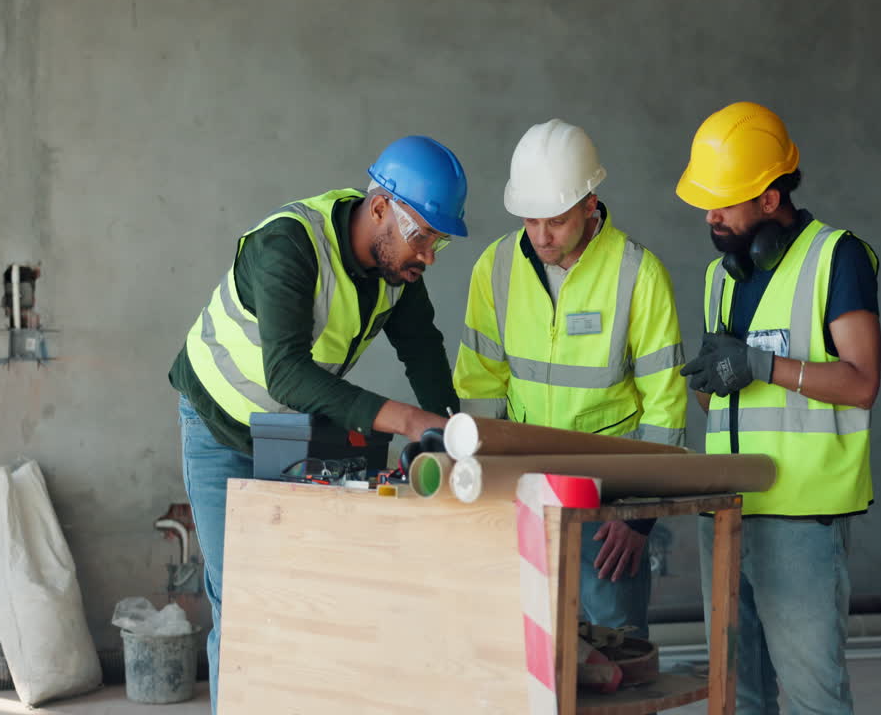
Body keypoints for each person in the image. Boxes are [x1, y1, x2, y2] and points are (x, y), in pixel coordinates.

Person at [167, 135, 467, 711]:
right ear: (380, 208)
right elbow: (285, 373)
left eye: (438, 242)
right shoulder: (289, 243)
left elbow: (423, 349)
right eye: (422, 235)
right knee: (243, 600)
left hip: (288, 434)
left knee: (307, 596)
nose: (427, 255)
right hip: (218, 428)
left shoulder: (396, 268)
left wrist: (452, 431)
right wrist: (406, 419)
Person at [677, 102, 881, 715]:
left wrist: (763, 367)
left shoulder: (835, 259)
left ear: (770, 199)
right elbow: (722, 398)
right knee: (738, 698)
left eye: (724, 200)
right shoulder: (720, 275)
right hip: (726, 515)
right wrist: (709, 381)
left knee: (814, 700)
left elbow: (862, 382)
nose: (709, 215)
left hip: (801, 520)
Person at [454, 119, 687, 637]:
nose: (541, 237)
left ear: (589, 202)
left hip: (610, 508)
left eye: (555, 221)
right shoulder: (495, 268)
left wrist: (641, 517)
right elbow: (481, 385)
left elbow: (665, 406)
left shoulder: (638, 274)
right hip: (523, 494)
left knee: (616, 661)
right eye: (530, 221)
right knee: (523, 658)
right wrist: (483, 489)